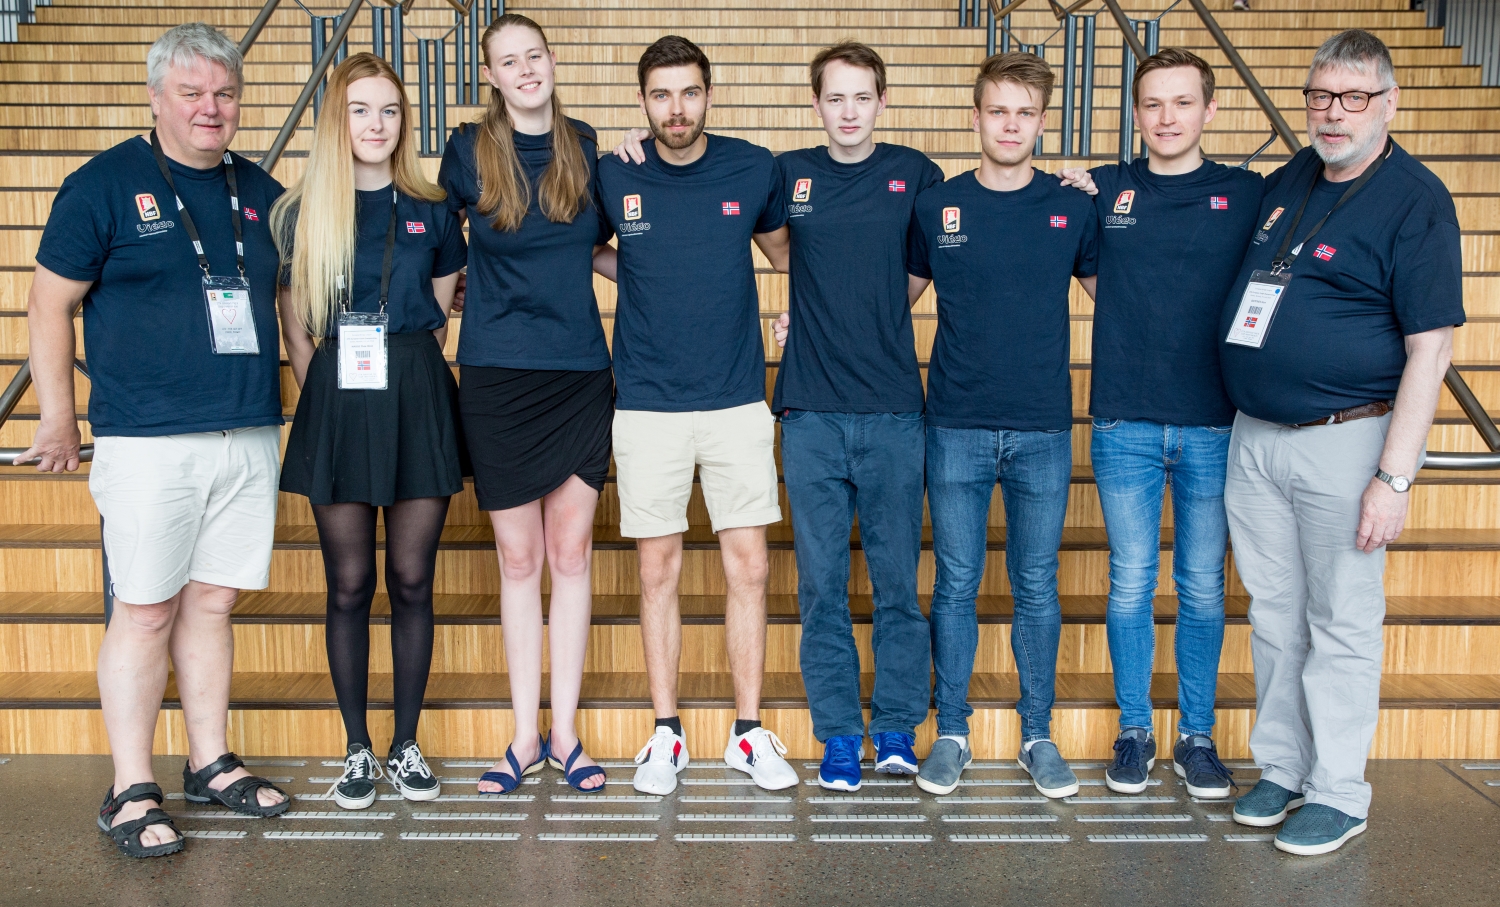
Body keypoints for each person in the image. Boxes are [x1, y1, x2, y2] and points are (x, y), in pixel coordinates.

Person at [23, 22, 290, 857]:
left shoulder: (261, 188)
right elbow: (48, 303)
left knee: (212, 602)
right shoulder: (102, 185)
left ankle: (209, 760)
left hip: (246, 428)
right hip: (147, 439)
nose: (212, 108)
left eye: (225, 93)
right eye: (193, 92)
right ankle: (130, 787)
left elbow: (290, 301)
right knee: (143, 611)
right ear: (156, 97)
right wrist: (59, 415)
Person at [1220, 29, 1462, 855]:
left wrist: (1394, 479)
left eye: (1353, 97)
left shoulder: (1416, 199)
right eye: (1321, 95)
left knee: (1342, 618)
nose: (1333, 112)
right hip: (1257, 437)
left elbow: (1431, 349)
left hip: (1347, 439)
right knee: (1275, 615)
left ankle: (1338, 789)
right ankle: (1284, 768)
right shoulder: (1294, 176)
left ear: (1389, 103)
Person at [595, 34, 798, 795]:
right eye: (661, 95)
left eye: (688, 93)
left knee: (750, 566)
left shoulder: (752, 167)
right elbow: (579, 246)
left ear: (708, 95)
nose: (675, 110)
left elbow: (787, 254)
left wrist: (799, 312)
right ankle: (666, 732)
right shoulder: (615, 172)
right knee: (658, 570)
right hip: (648, 402)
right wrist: (642, 268)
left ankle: (747, 733)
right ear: (642, 101)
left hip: (737, 397)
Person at [273, 53, 466, 809]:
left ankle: (405, 743)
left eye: (389, 110)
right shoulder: (301, 211)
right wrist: (326, 394)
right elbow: (296, 324)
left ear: (403, 120)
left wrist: (399, 368)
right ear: (337, 118)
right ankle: (357, 748)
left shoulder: (433, 207)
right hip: (339, 396)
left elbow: (440, 311)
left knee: (412, 579)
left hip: (416, 388)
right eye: (360, 109)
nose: (376, 124)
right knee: (350, 583)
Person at [906, 52, 1098, 798]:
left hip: (1043, 427)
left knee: (1036, 585)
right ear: (976, 117)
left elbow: (1123, 293)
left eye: (1024, 113)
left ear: (1042, 122)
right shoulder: (938, 206)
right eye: (997, 111)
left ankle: (1037, 734)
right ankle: (952, 731)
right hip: (955, 422)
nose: (1010, 125)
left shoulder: (1071, 206)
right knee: (955, 582)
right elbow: (892, 297)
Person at [439, 13, 614, 795]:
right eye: (508, 62)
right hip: (498, 376)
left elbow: (604, 246)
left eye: (533, 55)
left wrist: (683, 277)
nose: (525, 70)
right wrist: (445, 291)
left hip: (577, 374)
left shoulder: (587, 145)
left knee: (570, 555)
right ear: (492, 76)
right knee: (519, 560)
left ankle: (566, 735)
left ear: (551, 59)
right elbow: (434, 240)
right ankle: (523, 736)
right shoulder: (468, 151)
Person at [1084, 48, 1263, 799]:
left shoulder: (1248, 193)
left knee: (1201, 586)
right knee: (1130, 582)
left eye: (1183, 102)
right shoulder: (1103, 188)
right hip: (1124, 418)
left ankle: (1196, 737)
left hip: (1214, 422)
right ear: (1135, 112)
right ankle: (1134, 732)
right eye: (1152, 103)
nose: (1166, 117)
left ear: (1209, 110)